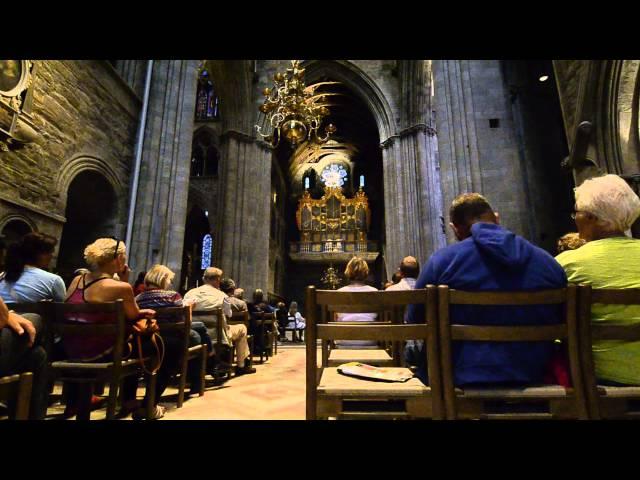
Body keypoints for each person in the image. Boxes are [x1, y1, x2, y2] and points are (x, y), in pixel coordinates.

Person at [406, 193, 567, 386]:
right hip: (536, 374)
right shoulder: (548, 263)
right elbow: (562, 318)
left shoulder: (442, 262)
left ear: (454, 229)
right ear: (497, 218)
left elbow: (415, 319)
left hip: (457, 377)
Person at [64, 238, 165, 419]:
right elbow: (133, 315)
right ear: (118, 259)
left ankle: (76, 402)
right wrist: (126, 284)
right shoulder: (121, 287)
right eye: (124, 257)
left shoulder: (77, 280)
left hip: (71, 349)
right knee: (154, 344)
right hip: (100, 353)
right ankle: (144, 403)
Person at [556, 174, 640, 385]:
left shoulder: (566, 264)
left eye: (577, 212)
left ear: (592, 218)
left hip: (602, 381)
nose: (575, 218)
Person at [135, 264, 213, 394]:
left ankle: (206, 361)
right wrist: (189, 308)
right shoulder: (173, 296)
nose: (170, 283)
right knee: (197, 336)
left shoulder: (138, 298)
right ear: (163, 279)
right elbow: (183, 321)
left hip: (151, 334)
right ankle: (198, 378)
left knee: (199, 328)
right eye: (169, 280)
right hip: (172, 335)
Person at [184, 267, 256, 375]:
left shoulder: (190, 293)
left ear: (204, 279)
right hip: (217, 335)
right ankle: (241, 366)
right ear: (218, 280)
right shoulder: (221, 295)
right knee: (242, 328)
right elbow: (229, 314)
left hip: (194, 334)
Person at [0, 297, 48, 419]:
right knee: (34, 319)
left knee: (36, 355)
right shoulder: (52, 281)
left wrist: (7, 316)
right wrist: (7, 316)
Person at [0, 232, 66, 304]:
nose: (51, 256)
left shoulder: (3, 275)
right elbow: (60, 311)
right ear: (39, 254)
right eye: (49, 252)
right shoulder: (54, 280)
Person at [335, 256, 379, 347]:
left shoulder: (339, 293)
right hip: (369, 338)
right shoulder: (375, 292)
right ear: (366, 272)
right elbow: (377, 317)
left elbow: (335, 319)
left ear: (348, 272)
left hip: (344, 339)